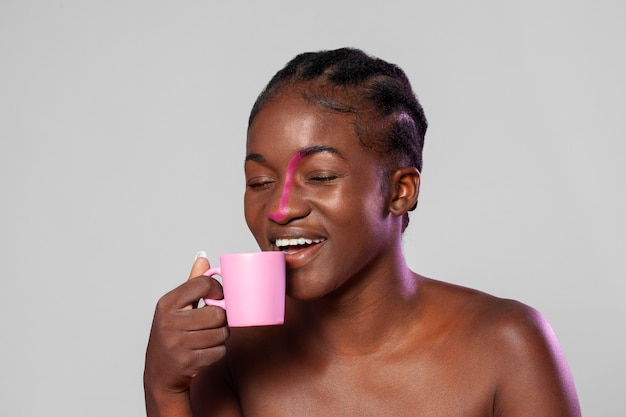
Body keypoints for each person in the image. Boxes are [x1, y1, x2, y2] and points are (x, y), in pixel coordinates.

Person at [144, 47, 581, 416]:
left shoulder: (506, 346)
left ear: (400, 191)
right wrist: (166, 390)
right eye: (259, 182)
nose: (280, 210)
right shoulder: (231, 355)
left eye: (320, 176)